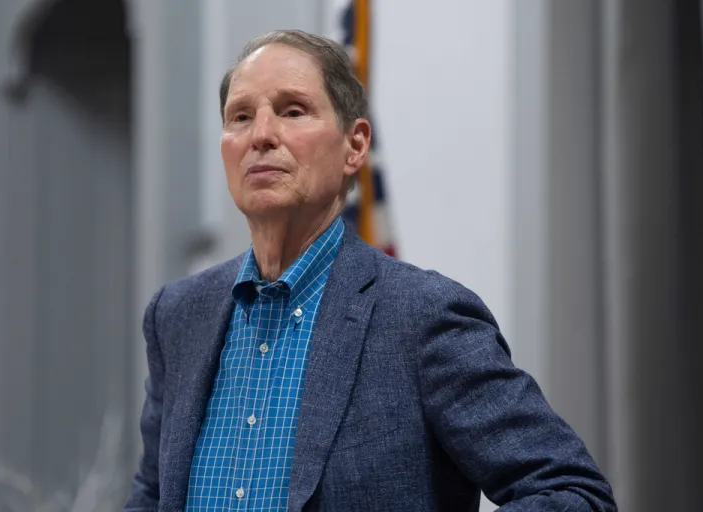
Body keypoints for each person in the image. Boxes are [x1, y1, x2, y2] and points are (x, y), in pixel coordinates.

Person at [124, 29, 616, 512]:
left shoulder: (422, 316)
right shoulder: (178, 315)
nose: (262, 135)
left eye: (293, 111)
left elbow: (571, 491)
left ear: (355, 146)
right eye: (241, 116)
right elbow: (151, 495)